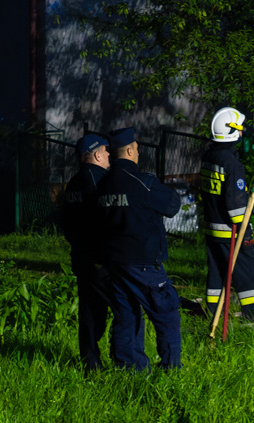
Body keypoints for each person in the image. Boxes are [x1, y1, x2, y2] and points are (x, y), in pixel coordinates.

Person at [97, 127, 183, 370]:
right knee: (165, 312)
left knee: (126, 313)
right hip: (143, 262)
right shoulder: (142, 182)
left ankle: (128, 366)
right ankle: (170, 368)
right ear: (131, 150)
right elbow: (172, 205)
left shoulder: (102, 185)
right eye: (136, 149)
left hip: (115, 263)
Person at [200, 107, 254, 323]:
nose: (242, 133)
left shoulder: (209, 157)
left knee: (217, 272)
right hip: (231, 231)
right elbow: (235, 205)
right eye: (239, 129)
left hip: (212, 228)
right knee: (249, 270)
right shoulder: (233, 165)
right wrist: (245, 232)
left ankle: (212, 313)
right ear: (232, 132)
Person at [63, 134, 111, 372]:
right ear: (97, 154)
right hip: (102, 260)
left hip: (81, 257)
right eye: (107, 151)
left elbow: (65, 223)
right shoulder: (101, 181)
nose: (110, 155)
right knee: (121, 308)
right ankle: (125, 361)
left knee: (89, 311)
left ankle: (90, 362)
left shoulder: (73, 183)